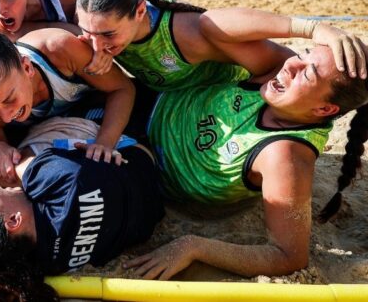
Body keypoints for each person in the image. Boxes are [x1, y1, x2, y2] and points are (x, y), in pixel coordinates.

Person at [121, 43, 368, 279]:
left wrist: (193, 247)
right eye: (303, 55)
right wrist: (311, 28)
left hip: (141, 165)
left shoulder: (285, 157)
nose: (291, 65)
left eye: (307, 74)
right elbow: (209, 26)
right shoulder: (276, 73)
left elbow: (289, 256)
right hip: (143, 98)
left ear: (324, 110)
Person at [75, 0, 366, 85]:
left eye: (107, 34)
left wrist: (315, 28)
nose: (96, 43)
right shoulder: (94, 23)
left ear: (140, 12)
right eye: (87, 31)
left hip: (233, 95)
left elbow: (282, 63)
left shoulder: (186, 33)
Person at [0, 133, 164, 284]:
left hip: (148, 215)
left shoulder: (40, 267)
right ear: (12, 221)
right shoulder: (58, 177)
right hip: (140, 156)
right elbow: (4, 168)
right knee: (20, 153)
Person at [0, 13, 135, 181]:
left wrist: (104, 142)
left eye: (9, 99)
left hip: (96, 114)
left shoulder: (59, 49)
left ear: (27, 67)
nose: (6, 117)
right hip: (45, 136)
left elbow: (122, 88)